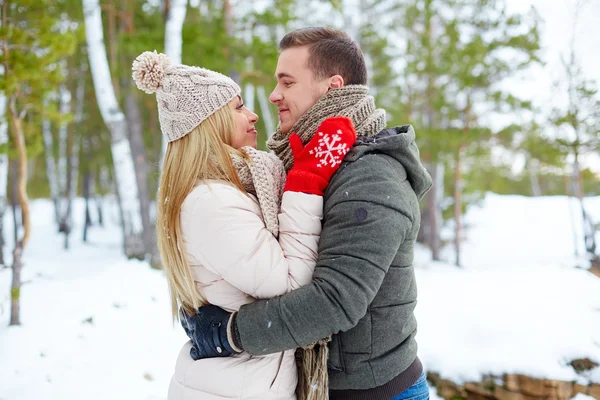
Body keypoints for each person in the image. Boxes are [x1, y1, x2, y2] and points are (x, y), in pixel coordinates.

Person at [180, 27, 434, 400]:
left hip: (374, 392)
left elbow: (335, 300)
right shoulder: (309, 165)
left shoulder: (371, 177)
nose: (274, 95)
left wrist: (230, 333)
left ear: (332, 87)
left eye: (287, 82)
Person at [131, 50, 356, 399]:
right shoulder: (212, 202)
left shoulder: (233, 189)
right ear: (209, 122)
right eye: (237, 108)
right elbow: (290, 283)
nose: (252, 115)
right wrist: (305, 182)